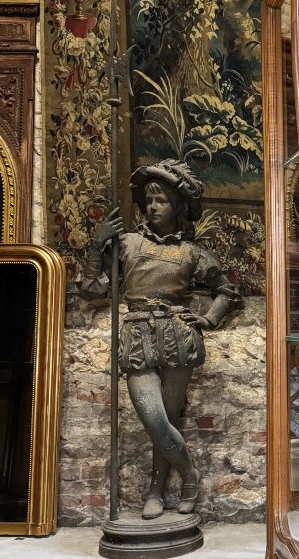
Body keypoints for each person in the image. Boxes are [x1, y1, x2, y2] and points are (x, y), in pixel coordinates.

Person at [81, 159, 241, 519]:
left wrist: (207, 319)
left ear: (178, 207)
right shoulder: (127, 244)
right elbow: (91, 291)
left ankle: (156, 492)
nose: (153, 207)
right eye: (149, 200)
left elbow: (227, 293)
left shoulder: (191, 253)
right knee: (154, 419)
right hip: (137, 335)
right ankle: (189, 475)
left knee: (165, 421)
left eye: (162, 201)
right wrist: (95, 246)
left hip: (177, 336)